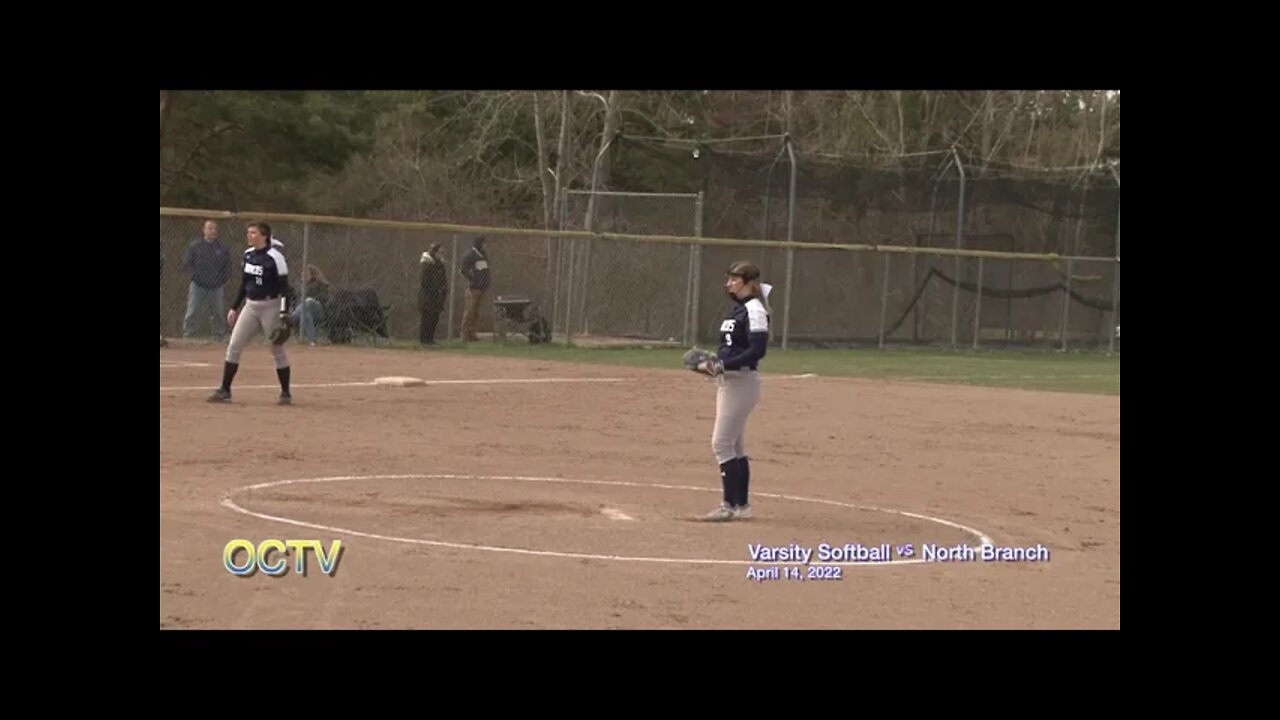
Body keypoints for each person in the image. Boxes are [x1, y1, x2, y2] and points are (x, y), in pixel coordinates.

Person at [696, 260, 772, 522]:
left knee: (721, 443)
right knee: (735, 446)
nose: (728, 284)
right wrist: (714, 363)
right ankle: (742, 507)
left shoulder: (755, 310)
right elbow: (733, 347)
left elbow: (757, 351)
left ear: (749, 283)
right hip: (730, 381)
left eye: (734, 279)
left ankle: (728, 506)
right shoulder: (738, 309)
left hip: (741, 382)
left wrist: (722, 365)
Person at [207, 221, 293, 405]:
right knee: (234, 345)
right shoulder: (248, 255)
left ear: (264, 236)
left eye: (253, 232)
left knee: (277, 349)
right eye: (249, 232)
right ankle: (225, 390)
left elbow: (285, 289)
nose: (249, 235)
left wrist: (283, 313)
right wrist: (234, 307)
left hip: (271, 306)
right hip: (251, 306)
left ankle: (285, 393)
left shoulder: (275, 258)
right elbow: (244, 283)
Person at [182, 219, 233, 340]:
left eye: (214, 229)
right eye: (210, 228)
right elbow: (187, 263)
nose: (213, 231)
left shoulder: (222, 248)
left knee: (217, 312)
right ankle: (189, 335)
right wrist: (195, 276)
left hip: (216, 286)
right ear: (204, 230)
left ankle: (218, 335)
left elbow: (228, 266)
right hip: (198, 285)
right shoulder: (195, 246)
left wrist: (221, 280)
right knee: (193, 311)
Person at [459, 235, 491, 341]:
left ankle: (472, 333)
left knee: (477, 312)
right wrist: (472, 279)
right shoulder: (470, 255)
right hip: (473, 289)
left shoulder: (484, 255)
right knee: (469, 311)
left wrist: (486, 282)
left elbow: (485, 270)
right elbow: (463, 270)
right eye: (484, 243)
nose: (486, 245)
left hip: (482, 287)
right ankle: (464, 334)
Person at [418, 243, 448, 345]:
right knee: (427, 318)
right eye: (440, 252)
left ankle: (430, 339)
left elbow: (443, 279)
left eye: (443, 253)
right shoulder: (426, 264)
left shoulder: (440, 265)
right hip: (427, 296)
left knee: (435, 318)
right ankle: (424, 340)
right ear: (434, 252)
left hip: (438, 296)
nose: (441, 255)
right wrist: (435, 288)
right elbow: (424, 281)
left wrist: (444, 289)